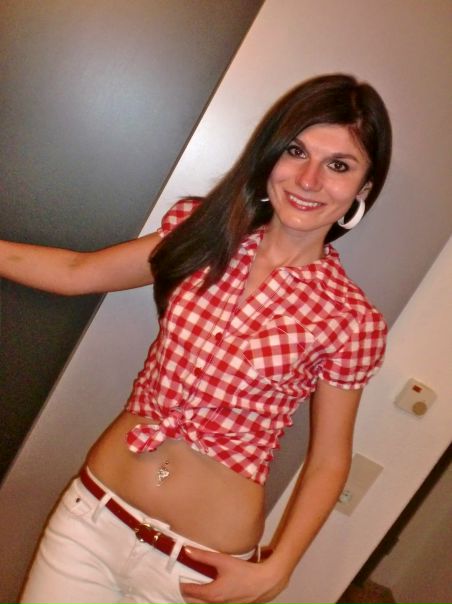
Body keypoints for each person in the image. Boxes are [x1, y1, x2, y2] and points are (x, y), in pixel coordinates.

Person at [2, 73, 392, 604]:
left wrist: (279, 568)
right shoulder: (203, 235)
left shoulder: (350, 320)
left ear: (362, 189)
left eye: (339, 165)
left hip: (199, 571)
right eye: (296, 151)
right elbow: (77, 272)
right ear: (271, 154)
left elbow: (328, 459)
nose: (308, 179)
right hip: (91, 522)